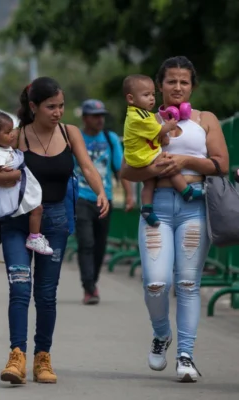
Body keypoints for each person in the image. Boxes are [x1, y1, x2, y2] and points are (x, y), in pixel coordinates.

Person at [119, 56, 229, 382]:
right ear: (159, 86)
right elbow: (126, 168)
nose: (177, 87)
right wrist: (156, 169)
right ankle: (161, 333)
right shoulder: (144, 119)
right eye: (171, 81)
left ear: (192, 85)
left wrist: (182, 160)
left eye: (184, 81)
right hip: (158, 209)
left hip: (195, 206)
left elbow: (221, 164)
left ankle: (185, 355)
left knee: (187, 283)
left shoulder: (205, 119)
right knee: (155, 283)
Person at [0, 77, 109, 385]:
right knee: (20, 288)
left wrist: (100, 192)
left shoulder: (69, 133)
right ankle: (16, 355)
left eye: (61, 106)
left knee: (46, 295)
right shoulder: (17, 137)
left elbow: (86, 166)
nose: (58, 112)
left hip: (56, 220)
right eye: (51, 107)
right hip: (17, 223)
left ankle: (42, 357)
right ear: (33, 107)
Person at [74, 99, 135, 305]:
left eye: (102, 116)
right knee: (86, 243)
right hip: (80, 197)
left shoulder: (110, 139)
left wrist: (129, 195)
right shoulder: (76, 139)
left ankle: (92, 282)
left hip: (104, 199)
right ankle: (89, 287)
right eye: (95, 116)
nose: (100, 120)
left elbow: (121, 169)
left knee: (100, 245)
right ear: (85, 118)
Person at [122, 74, 204, 227]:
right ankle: (187, 192)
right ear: (131, 99)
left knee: (149, 182)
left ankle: (146, 208)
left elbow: (152, 134)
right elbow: (158, 130)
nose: (151, 99)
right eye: (146, 95)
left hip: (140, 154)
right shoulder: (139, 116)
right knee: (169, 163)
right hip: (142, 156)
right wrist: (170, 125)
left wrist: (162, 136)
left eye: (153, 95)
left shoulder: (140, 113)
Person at [0, 109, 52, 255]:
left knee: (36, 208)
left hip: (14, 189)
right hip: (10, 192)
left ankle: (34, 236)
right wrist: (16, 174)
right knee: (37, 208)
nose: (12, 134)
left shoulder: (3, 148)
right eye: (7, 132)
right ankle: (34, 237)